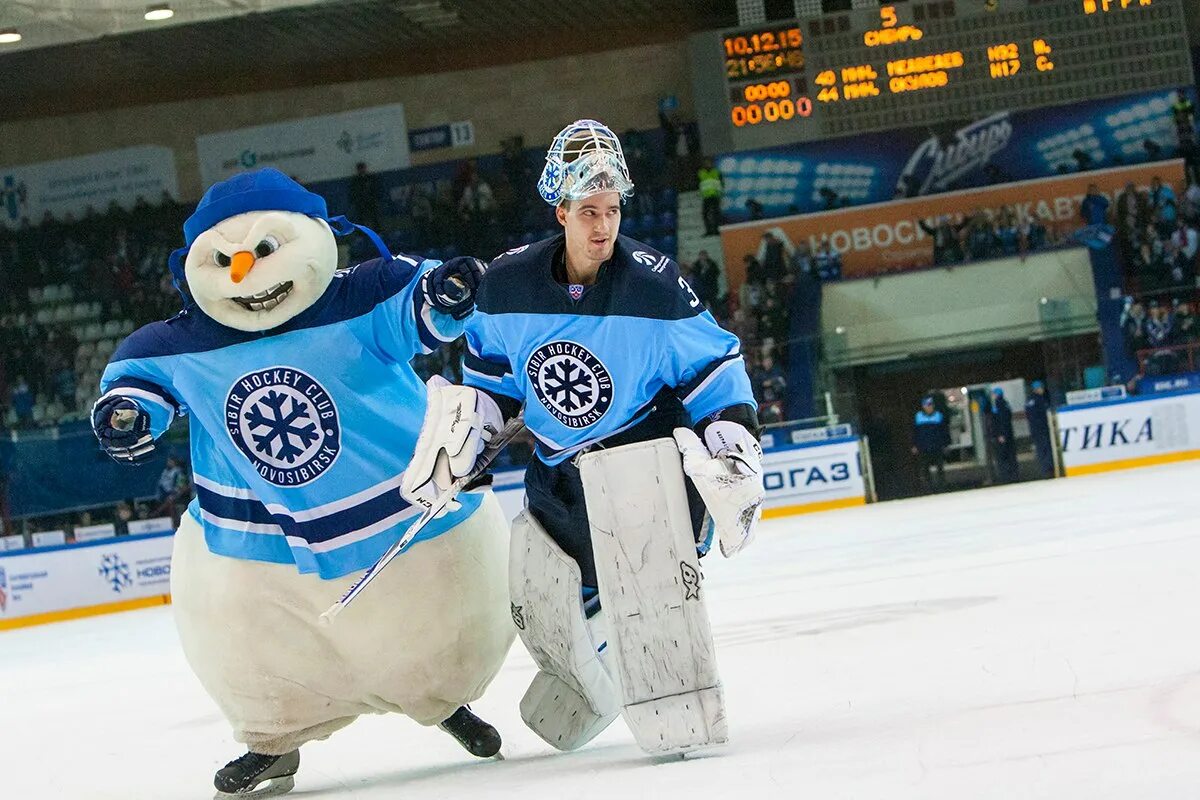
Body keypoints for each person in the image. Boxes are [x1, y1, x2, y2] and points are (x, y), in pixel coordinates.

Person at [92, 168, 513, 797]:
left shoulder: (358, 298)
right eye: (225, 260)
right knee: (257, 639)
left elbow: (427, 302)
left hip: (400, 506)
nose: (246, 275)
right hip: (263, 539)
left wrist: (450, 290)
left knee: (431, 621)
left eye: (264, 250)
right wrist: (127, 414)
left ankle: (445, 701)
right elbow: (136, 386)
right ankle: (274, 741)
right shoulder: (183, 342)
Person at [401, 119, 764, 756]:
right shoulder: (505, 287)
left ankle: (678, 705)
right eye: (589, 211)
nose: (604, 226)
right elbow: (495, 384)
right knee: (542, 604)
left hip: (643, 466)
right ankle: (586, 682)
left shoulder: (655, 288)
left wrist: (730, 441)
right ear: (561, 210)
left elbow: (715, 370)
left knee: (653, 603)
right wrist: (466, 439)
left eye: (614, 210)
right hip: (559, 475)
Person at [911, 396, 950, 492]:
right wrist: (914, 445)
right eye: (926, 405)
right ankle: (928, 488)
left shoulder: (938, 416)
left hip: (937, 446)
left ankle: (941, 486)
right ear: (923, 406)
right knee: (924, 468)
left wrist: (946, 444)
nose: (928, 407)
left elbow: (944, 431)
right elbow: (915, 432)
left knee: (940, 467)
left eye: (930, 405)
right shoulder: (918, 417)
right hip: (923, 447)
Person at [986, 386, 1018, 484]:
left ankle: (1006, 476)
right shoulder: (1005, 404)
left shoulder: (999, 405)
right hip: (1008, 434)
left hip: (1002, 436)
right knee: (1011, 455)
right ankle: (1013, 475)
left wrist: (1001, 434)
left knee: (1002, 456)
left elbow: (1001, 421)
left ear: (996, 394)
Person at [1024, 380, 1055, 478]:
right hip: (1042, 429)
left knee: (1041, 449)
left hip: (1036, 430)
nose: (1042, 390)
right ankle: (1049, 469)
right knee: (1045, 449)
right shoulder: (1039, 400)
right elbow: (1041, 415)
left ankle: (1046, 469)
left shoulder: (1030, 400)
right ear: (1037, 389)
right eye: (1041, 388)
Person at [697, 158, 723, 236]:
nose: (708, 164)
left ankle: (716, 230)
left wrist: (720, 192)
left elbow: (721, 183)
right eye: (706, 162)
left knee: (716, 213)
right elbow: (699, 183)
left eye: (709, 162)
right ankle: (708, 230)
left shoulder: (717, 172)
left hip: (715, 195)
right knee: (705, 214)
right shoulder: (700, 172)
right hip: (706, 196)